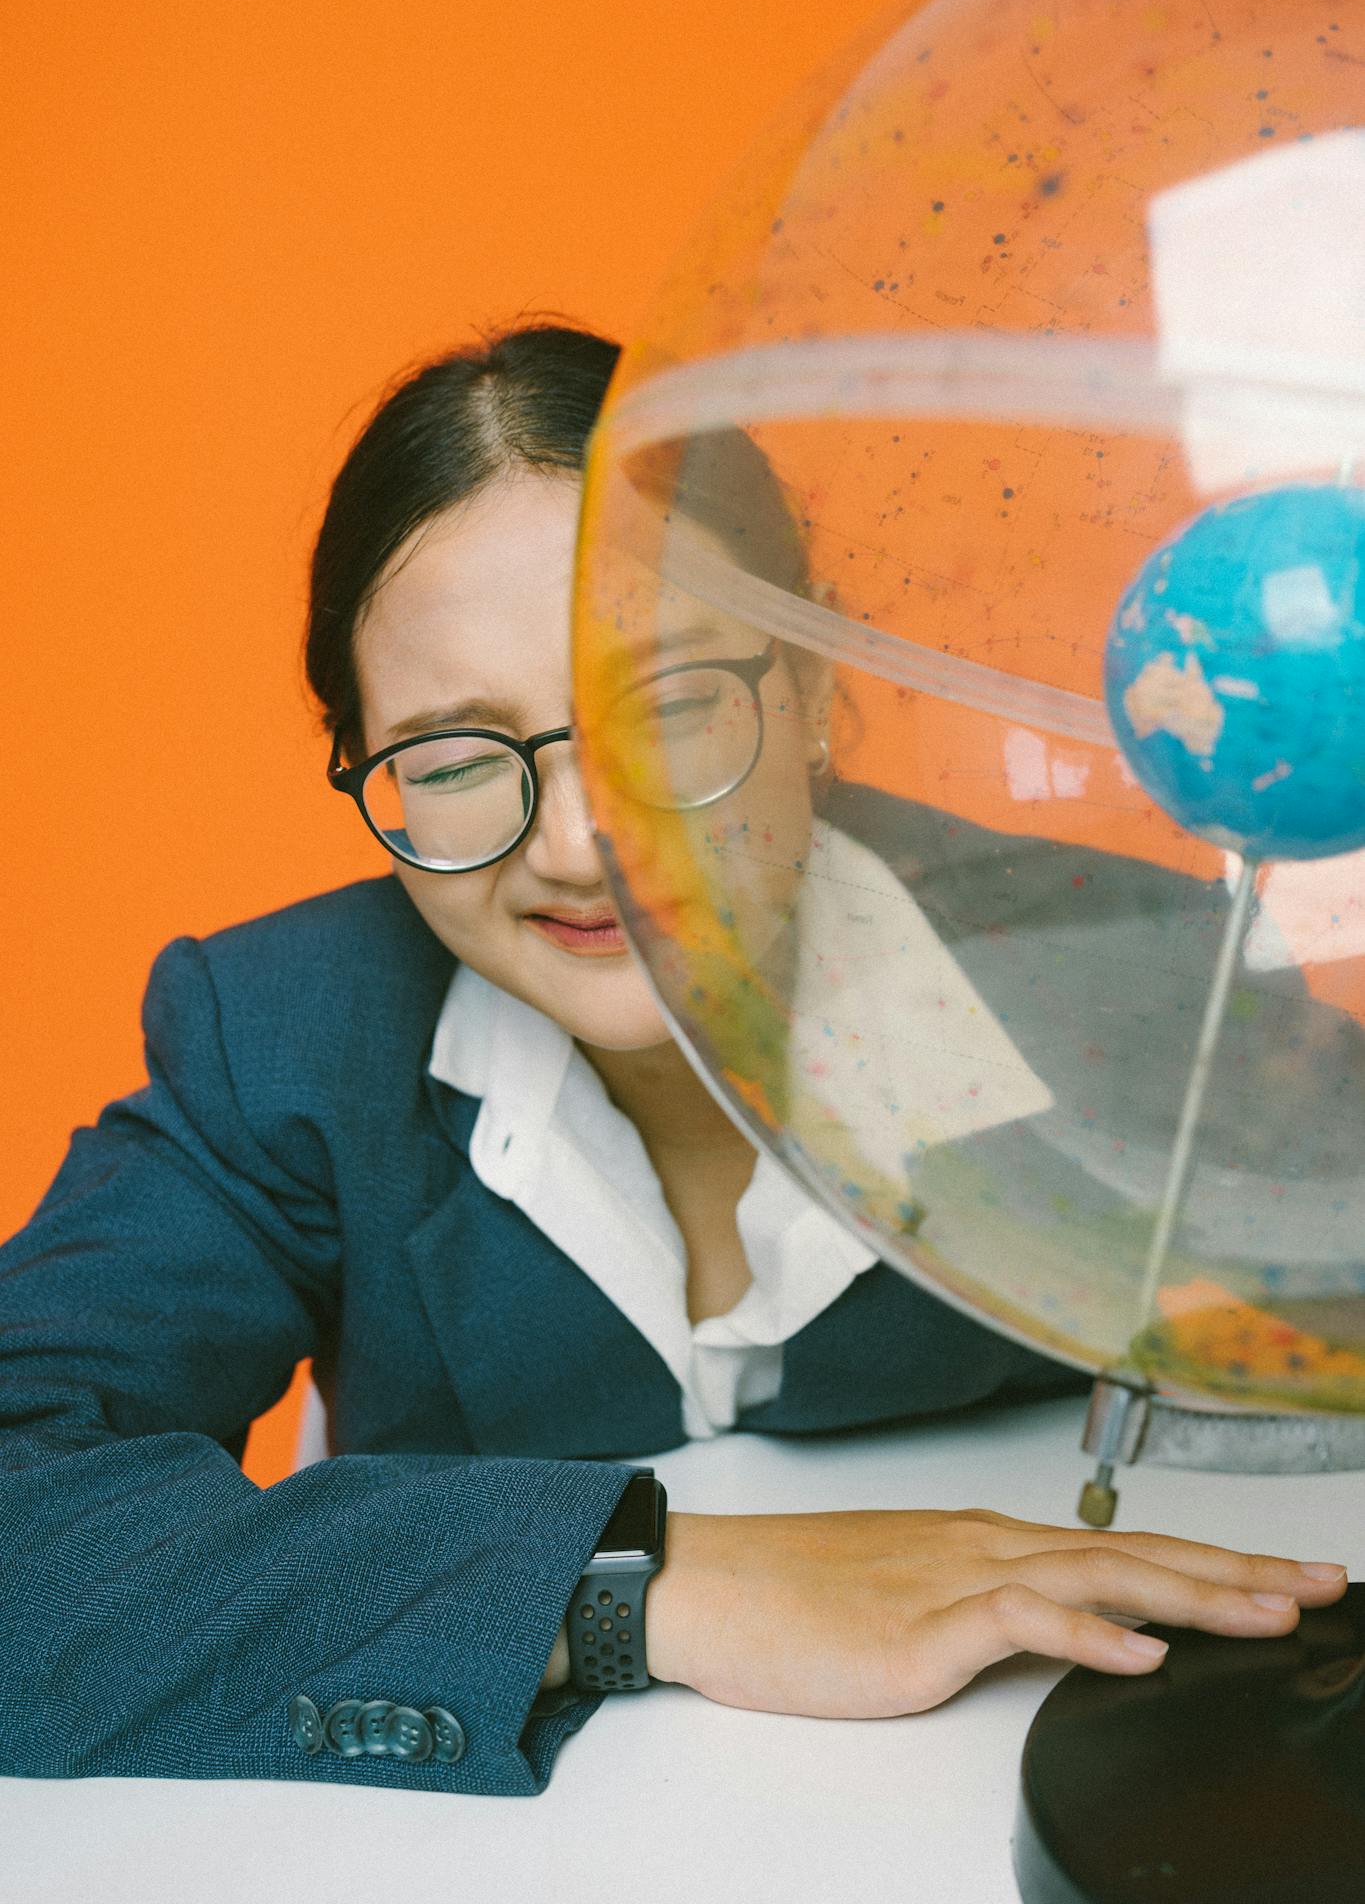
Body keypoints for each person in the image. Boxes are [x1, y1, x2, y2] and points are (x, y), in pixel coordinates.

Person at [0, 322, 1347, 1799]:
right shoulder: (279, 1040)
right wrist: (646, 1589)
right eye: (453, 758)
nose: (583, 846)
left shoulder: (1134, 970)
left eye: (668, 705)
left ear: (813, 685)